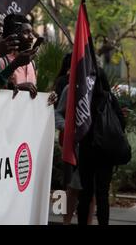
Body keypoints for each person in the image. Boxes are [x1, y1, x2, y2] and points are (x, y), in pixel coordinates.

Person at [77, 68, 125, 225]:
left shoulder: (84, 99)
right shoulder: (110, 98)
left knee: (85, 193)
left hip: (87, 151)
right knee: (102, 194)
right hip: (106, 153)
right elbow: (121, 123)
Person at [55, 53, 95, 225]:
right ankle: (65, 220)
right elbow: (57, 113)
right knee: (70, 187)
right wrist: (68, 129)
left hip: (94, 147)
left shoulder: (98, 88)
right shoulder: (68, 87)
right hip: (72, 147)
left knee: (90, 190)